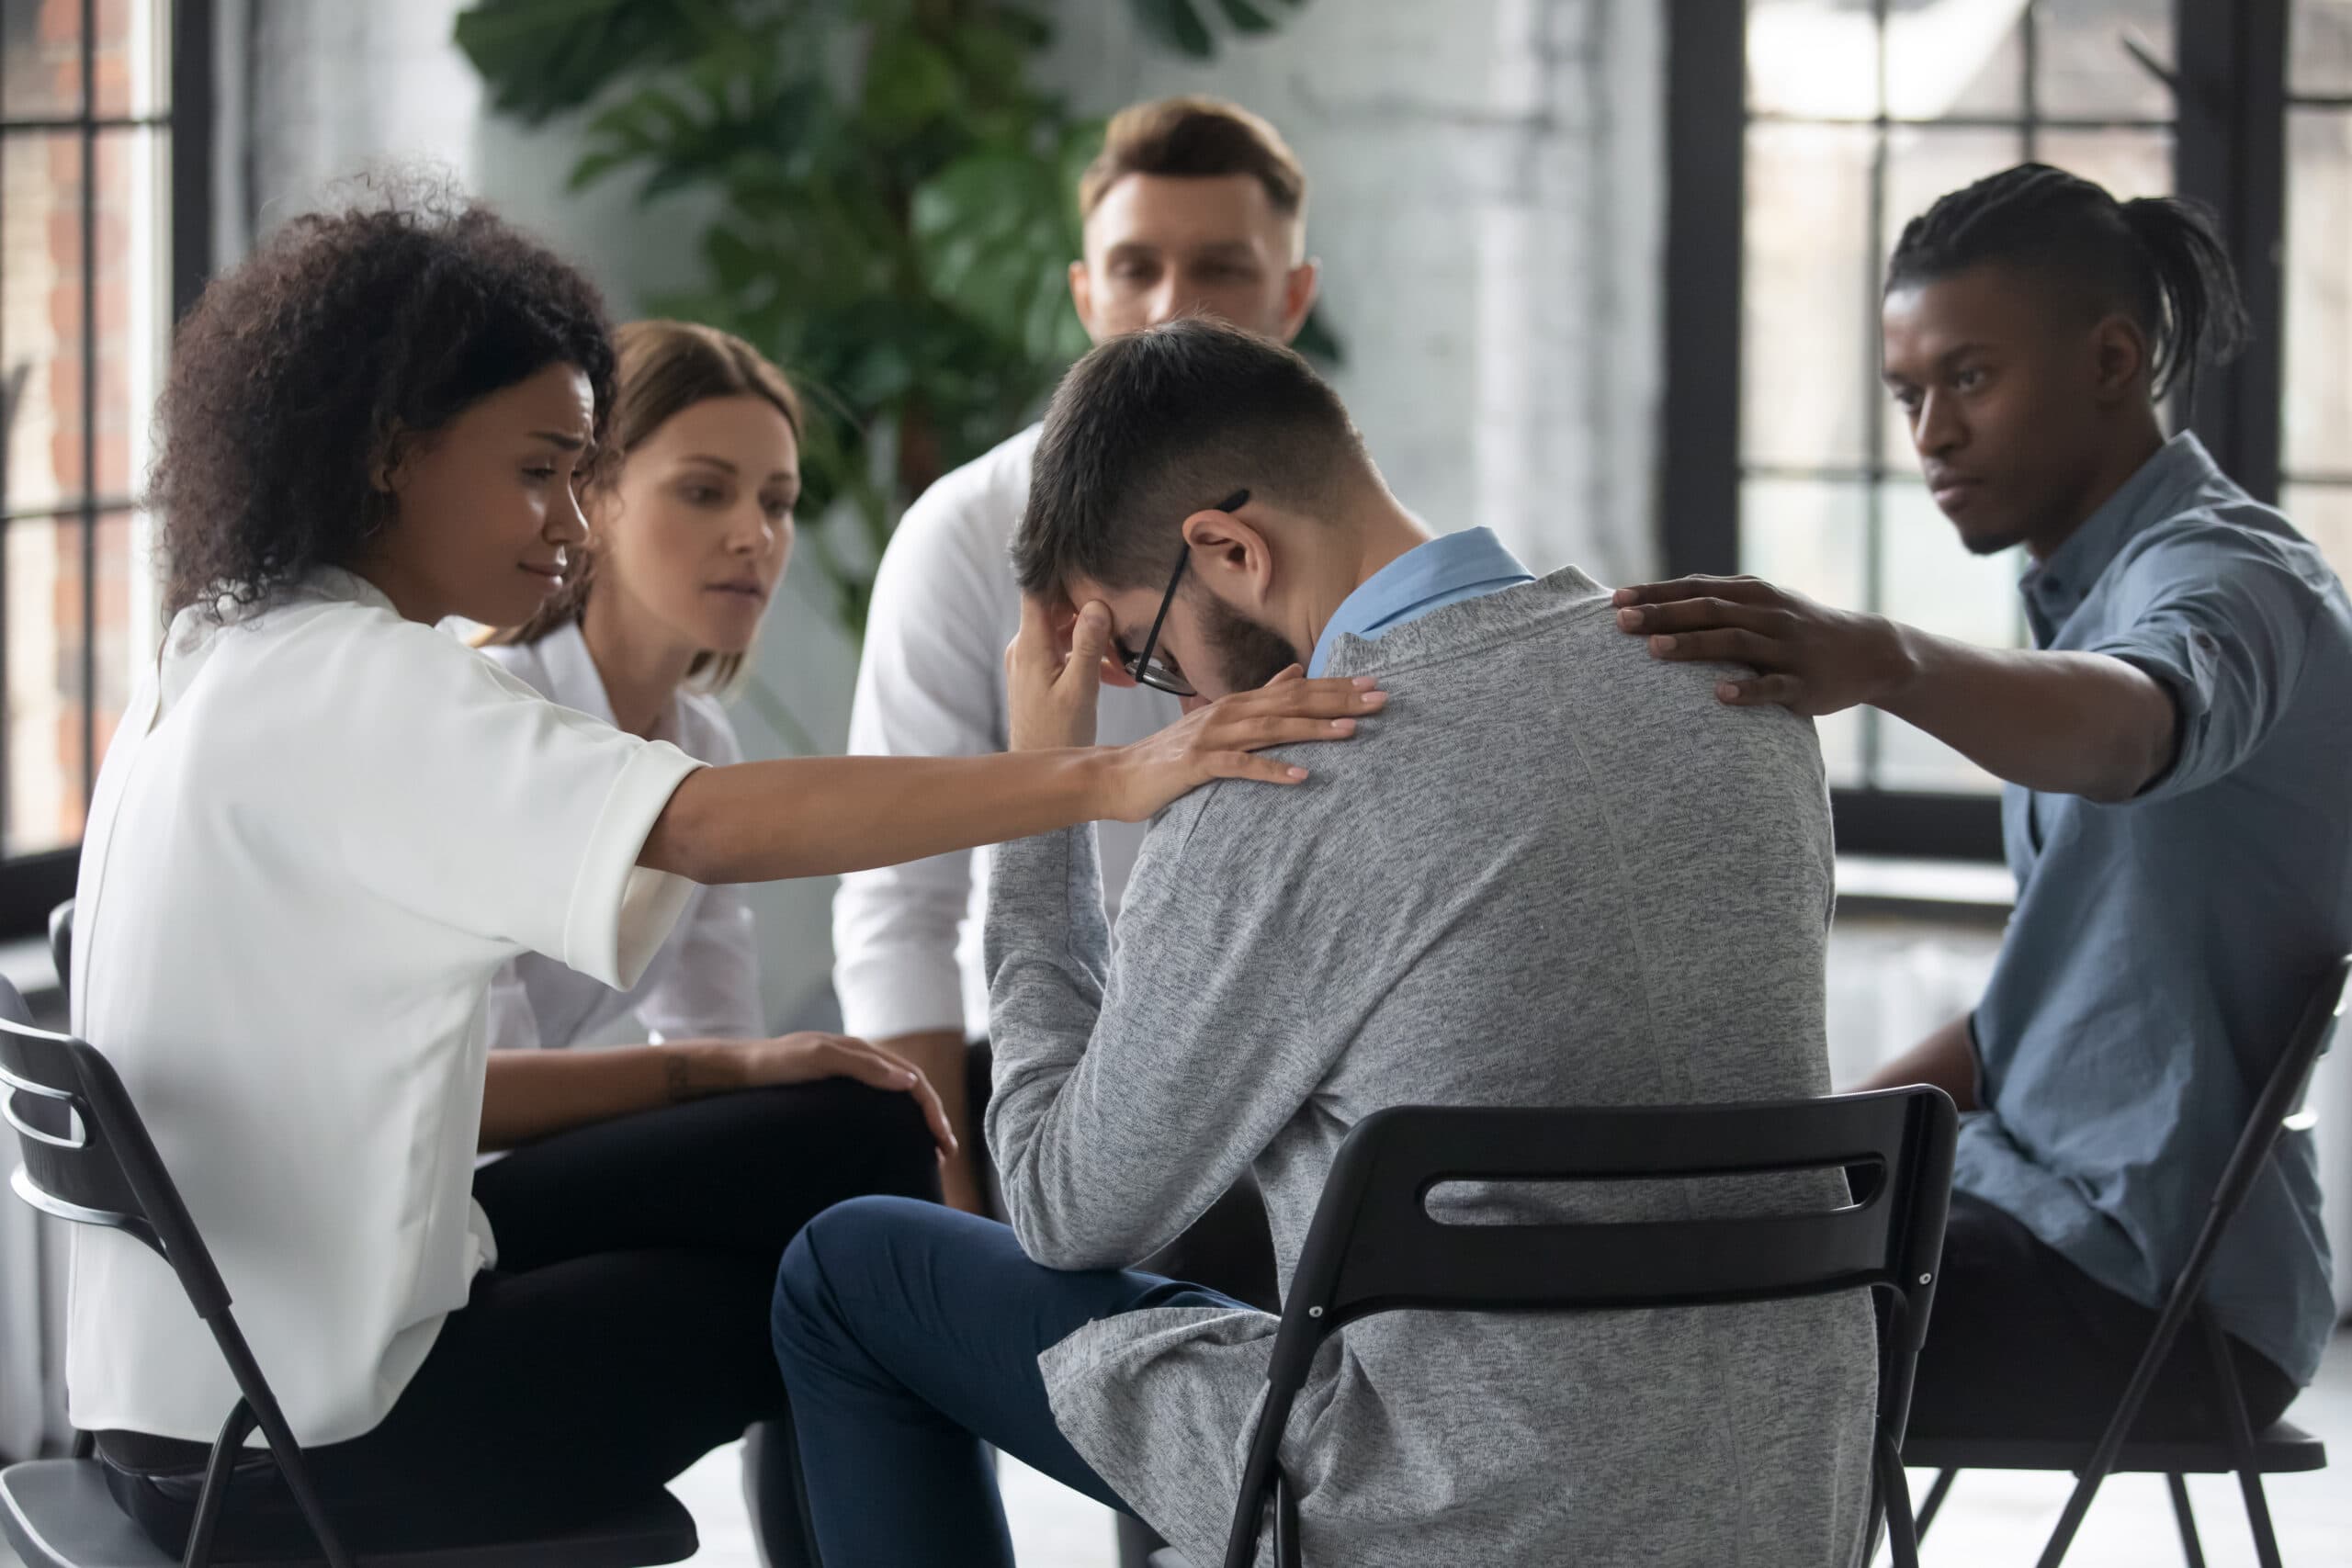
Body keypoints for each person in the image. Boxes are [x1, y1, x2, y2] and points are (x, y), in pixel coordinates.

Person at [67, 192, 1376, 1559]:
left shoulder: (225, 652)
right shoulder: (368, 681)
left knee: (840, 1127)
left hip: (222, 1381)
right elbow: (697, 825)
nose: (567, 521)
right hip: (323, 1432)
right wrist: (1102, 769)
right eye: (539, 470)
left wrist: (732, 1070)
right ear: (391, 453)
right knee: (865, 1278)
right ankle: (1242, 1451)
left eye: (584, 473)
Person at [770, 319, 1878, 1568]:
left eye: (1144, 650)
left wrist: (1051, 787)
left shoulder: (1280, 783)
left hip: (1451, 1507)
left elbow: (1062, 1208)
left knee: (848, 1267)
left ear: (1230, 549)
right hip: (1788, 1488)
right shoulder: (1732, 687)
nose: (1177, 698)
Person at [1613, 164, 2352, 1440]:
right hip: (2032, 1210)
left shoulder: (2229, 578)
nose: (1930, 435)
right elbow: (2042, 1020)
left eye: (1969, 377)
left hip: (2160, 1293)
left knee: (1662, 1341)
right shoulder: (2082, 594)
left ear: (2112, 359)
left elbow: (2140, 724)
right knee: (1615, 1258)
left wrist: (1887, 657)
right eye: (1908, 393)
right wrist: (1768, 1148)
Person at [833, 96, 1322, 1233]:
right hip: (1032, 1071)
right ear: (1082, 293)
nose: (1171, 308)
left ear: (1293, 299)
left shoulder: (1352, 537)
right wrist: (953, 1205)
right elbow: (899, 898)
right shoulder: (964, 534)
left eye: (1220, 269)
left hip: (1291, 1080)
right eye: (1136, 267)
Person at [468, 318, 890, 1566]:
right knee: (846, 1164)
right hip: (455, 1195)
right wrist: (729, 1090)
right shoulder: (499, 720)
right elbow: (475, 1096)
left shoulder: (703, 741)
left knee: (838, 1204)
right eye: (703, 491)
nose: (753, 534)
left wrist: (749, 1086)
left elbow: (717, 1028)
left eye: (776, 499)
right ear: (590, 496)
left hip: (562, 1162)